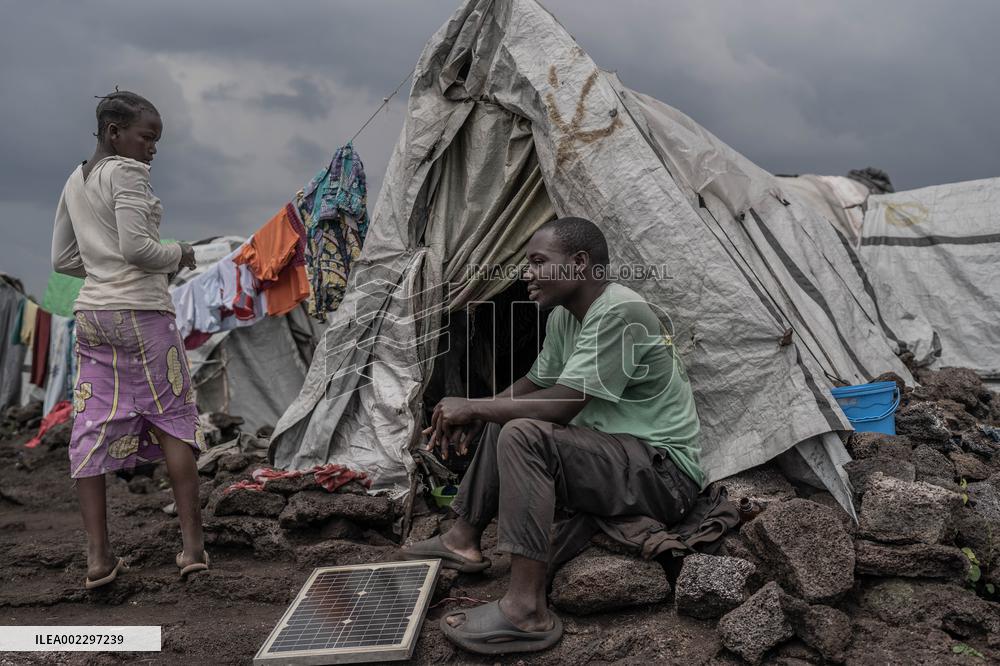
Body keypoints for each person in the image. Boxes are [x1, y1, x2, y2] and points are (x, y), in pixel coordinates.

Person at [403, 217, 703, 655]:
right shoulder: (565, 317)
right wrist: (479, 412)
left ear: (579, 264)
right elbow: (534, 383)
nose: (526, 273)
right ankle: (461, 540)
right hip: (619, 460)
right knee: (507, 417)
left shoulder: (621, 311)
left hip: (663, 475)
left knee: (525, 432)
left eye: (538, 261)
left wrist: (476, 407)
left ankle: (526, 611)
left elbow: (563, 404)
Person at [52, 90, 209, 590]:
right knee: (173, 423)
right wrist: (182, 252)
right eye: (147, 137)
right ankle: (192, 550)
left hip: (94, 316)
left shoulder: (76, 180)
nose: (153, 149)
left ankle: (98, 560)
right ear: (113, 133)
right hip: (142, 315)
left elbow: (62, 260)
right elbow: (138, 249)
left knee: (90, 427)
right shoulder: (127, 172)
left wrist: (101, 270)